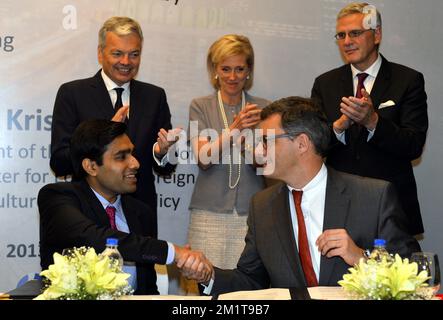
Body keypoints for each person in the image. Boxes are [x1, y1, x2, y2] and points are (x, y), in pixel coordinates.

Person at [184, 97, 420, 295]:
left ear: (302, 144)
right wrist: (209, 275)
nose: (257, 151)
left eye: (265, 141)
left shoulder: (373, 197)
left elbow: (416, 277)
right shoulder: (262, 206)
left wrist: (361, 258)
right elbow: (251, 282)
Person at [39, 119, 211, 295]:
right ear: (91, 166)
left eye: (132, 154)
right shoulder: (58, 198)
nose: (135, 163)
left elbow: (148, 290)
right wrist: (173, 252)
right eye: (121, 156)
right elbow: (92, 237)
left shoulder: (141, 212)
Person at [50, 16, 178, 237]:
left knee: (141, 273)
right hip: (88, 215)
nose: (126, 61)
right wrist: (102, 137)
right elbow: (60, 163)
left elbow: (166, 168)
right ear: (100, 53)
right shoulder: (72, 94)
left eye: (134, 54)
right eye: (117, 53)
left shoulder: (154, 96)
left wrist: (162, 153)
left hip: (139, 215)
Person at [311, 3, 428, 236]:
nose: (346, 41)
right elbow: (314, 145)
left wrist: (373, 121)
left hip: (390, 209)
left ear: (376, 35)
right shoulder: (325, 84)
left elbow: (413, 145)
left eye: (355, 33)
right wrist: (339, 127)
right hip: (338, 208)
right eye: (341, 35)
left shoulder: (408, 80)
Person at [187, 34, 270, 269]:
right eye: (225, 69)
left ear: (249, 71)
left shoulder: (263, 107)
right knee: (204, 284)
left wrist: (245, 142)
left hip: (251, 214)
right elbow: (204, 158)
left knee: (245, 289)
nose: (232, 77)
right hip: (208, 214)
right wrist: (235, 128)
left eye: (239, 69)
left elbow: (268, 164)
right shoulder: (200, 106)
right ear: (215, 70)